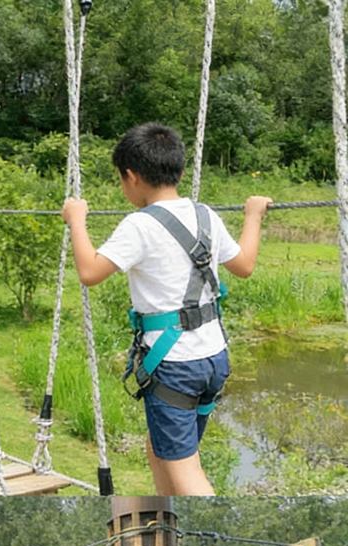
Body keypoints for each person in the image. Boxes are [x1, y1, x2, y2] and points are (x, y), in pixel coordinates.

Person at [61, 123, 272, 496]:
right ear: (179, 169)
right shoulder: (205, 214)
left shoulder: (139, 225)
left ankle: (218, 529)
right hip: (213, 358)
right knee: (160, 449)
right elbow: (244, 265)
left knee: (186, 470)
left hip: (174, 365)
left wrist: (77, 221)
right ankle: (167, 516)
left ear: (131, 176)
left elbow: (90, 272)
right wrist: (252, 216)